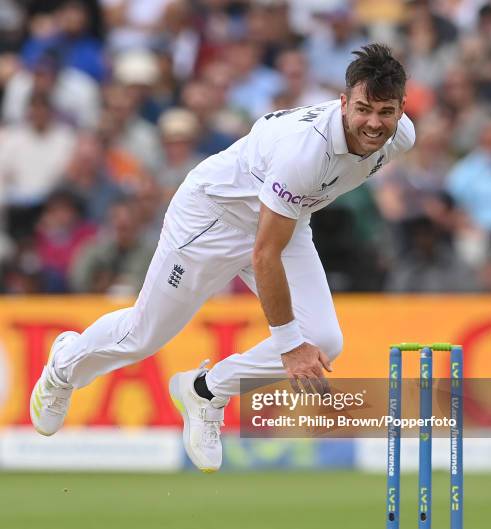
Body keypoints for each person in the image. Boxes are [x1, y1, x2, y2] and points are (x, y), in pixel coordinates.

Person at [30, 44, 415, 473]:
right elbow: (264, 254)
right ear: (343, 102)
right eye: (363, 109)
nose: (374, 123)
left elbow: (275, 239)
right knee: (144, 336)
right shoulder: (305, 153)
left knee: (323, 343)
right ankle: (65, 365)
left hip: (286, 220)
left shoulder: (402, 137)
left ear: (402, 106)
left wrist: (299, 347)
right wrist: (288, 348)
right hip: (213, 218)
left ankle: (206, 391)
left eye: (386, 111)